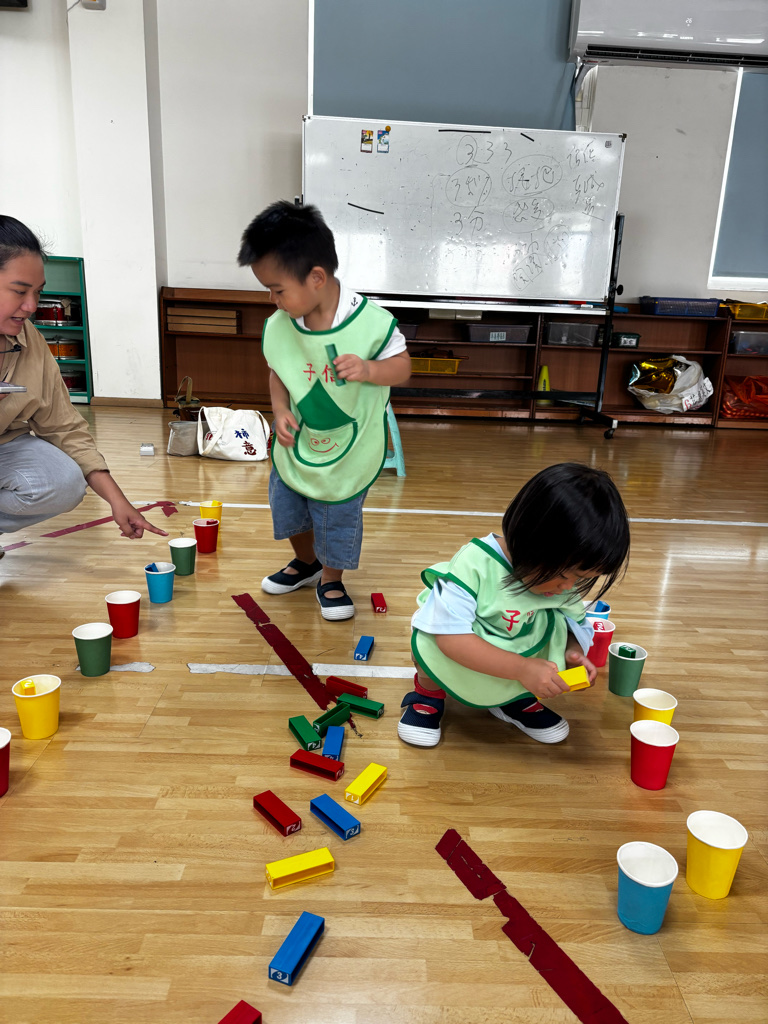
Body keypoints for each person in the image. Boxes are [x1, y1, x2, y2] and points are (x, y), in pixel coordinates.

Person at [237, 201, 411, 620]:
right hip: (298, 443)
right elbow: (279, 371)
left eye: (278, 290)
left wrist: (369, 369)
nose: (273, 300)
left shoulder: (371, 323)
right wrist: (279, 408)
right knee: (288, 505)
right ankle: (307, 562)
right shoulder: (281, 325)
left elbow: (403, 368)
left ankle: (331, 578)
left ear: (316, 277)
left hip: (349, 448)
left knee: (336, 515)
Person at [398, 463, 630, 748]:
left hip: (515, 646)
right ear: (533, 542)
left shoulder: (562, 580)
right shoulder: (475, 565)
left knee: (555, 627)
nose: (568, 587)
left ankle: (512, 700)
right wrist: (521, 669)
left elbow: (574, 622)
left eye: (581, 579)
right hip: (463, 645)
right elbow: (450, 638)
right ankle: (427, 695)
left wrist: (572, 652)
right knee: (429, 631)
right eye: (564, 575)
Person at [0, 215, 168, 557]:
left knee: (64, 482)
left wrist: (118, 500)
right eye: (19, 291)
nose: (31, 306)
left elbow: (63, 427)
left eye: (37, 292)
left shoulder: (30, 341)